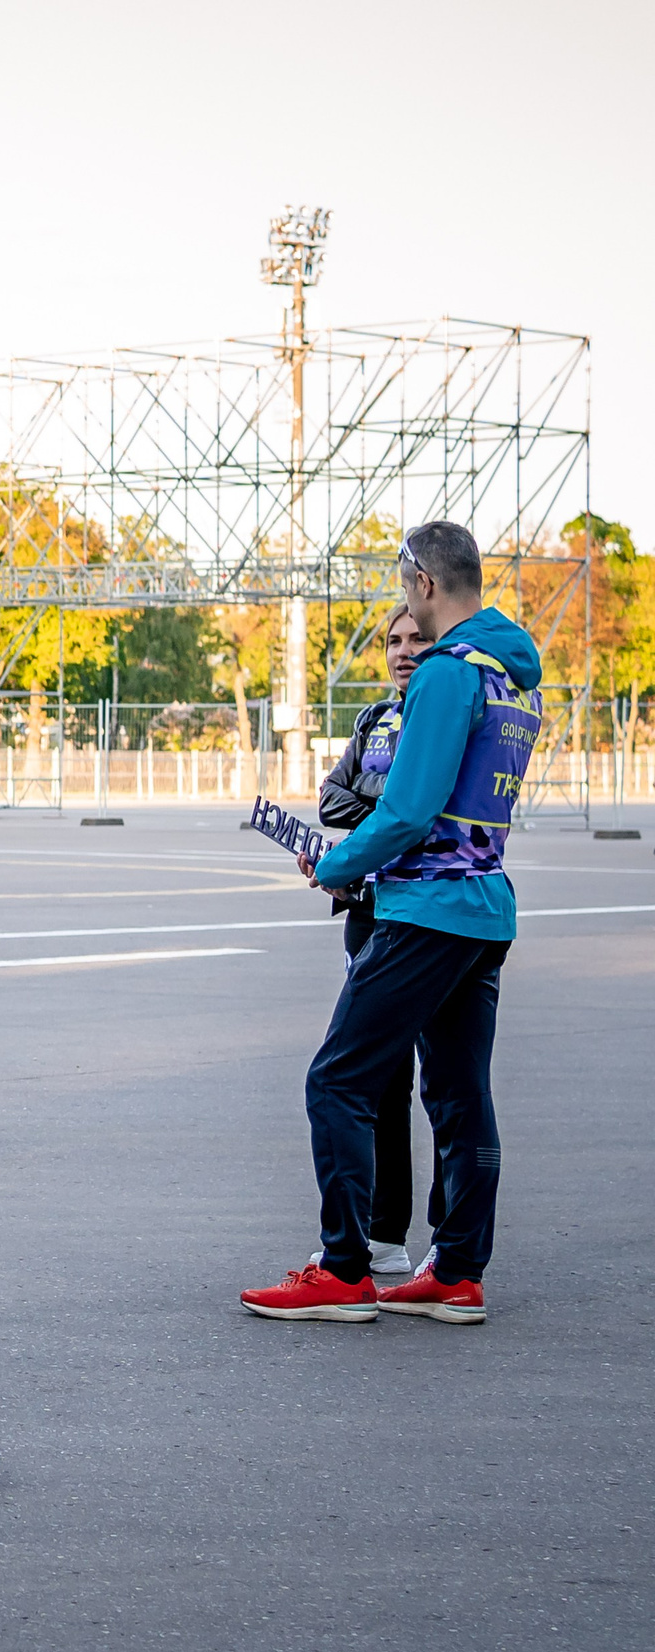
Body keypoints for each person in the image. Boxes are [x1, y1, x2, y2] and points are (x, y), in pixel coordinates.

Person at [241, 520, 541, 1326]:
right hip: (484, 908)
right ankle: (458, 1268)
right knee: (458, 1091)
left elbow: (408, 811)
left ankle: (343, 1269)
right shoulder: (515, 677)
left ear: (424, 583)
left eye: (407, 586)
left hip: (424, 909)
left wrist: (338, 865)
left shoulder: (448, 674)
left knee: (338, 1078)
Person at [310, 602, 435, 1277]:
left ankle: (427, 1236)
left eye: (418, 636)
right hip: (368, 909)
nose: (403, 649)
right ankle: (381, 1233)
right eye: (393, 639)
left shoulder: (441, 712)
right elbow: (332, 798)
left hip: (424, 913)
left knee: (438, 1081)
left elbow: (420, 811)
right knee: (379, 1078)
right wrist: (385, 808)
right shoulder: (373, 720)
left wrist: (385, 810)